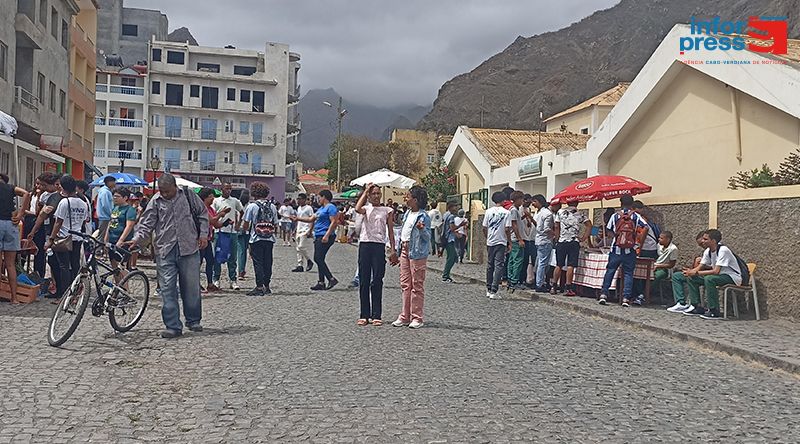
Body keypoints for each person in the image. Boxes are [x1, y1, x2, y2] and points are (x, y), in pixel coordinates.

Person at [129, 174, 208, 338]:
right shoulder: (156, 201)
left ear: (175, 187)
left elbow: (202, 213)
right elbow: (146, 224)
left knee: (191, 287)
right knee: (167, 288)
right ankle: (173, 326)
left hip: (189, 248)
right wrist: (136, 239)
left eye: (167, 191)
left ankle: (193, 320)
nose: (164, 194)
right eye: (161, 191)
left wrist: (203, 235)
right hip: (165, 250)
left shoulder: (187, 195)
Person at [670, 229, 741, 319]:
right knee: (692, 278)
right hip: (718, 277)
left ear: (713, 241)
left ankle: (714, 310)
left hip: (732, 277)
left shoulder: (723, 250)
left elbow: (716, 271)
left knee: (710, 279)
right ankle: (696, 306)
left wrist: (696, 272)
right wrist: (690, 272)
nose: (703, 241)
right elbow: (699, 267)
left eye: (705, 239)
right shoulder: (707, 251)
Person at [353, 184, 397, 326]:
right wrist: (365, 192)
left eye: (378, 193)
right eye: (374, 194)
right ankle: (364, 314)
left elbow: (390, 230)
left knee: (377, 279)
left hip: (379, 246)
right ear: (369, 196)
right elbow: (357, 208)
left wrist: (393, 249)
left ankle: (376, 314)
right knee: (364, 280)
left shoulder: (387, 210)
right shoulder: (366, 209)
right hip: (365, 244)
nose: (376, 196)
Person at [598, 195, 648, 306]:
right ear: (632, 204)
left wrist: (616, 236)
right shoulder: (635, 216)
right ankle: (626, 298)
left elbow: (609, 229)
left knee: (610, 270)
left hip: (616, 249)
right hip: (630, 250)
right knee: (628, 273)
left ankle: (604, 294)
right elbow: (646, 226)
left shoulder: (615, 216)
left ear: (620, 203)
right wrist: (638, 243)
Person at [392, 186, 430, 329]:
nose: (405, 198)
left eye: (408, 196)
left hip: (417, 252)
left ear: (415, 200)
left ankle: (417, 317)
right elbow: (403, 233)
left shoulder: (424, 216)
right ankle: (405, 315)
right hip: (404, 250)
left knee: (417, 285)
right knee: (405, 284)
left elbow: (427, 237)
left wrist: (421, 229)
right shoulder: (407, 213)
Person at [46, 175, 90, 300]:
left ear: (63, 188)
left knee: (64, 267)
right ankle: (75, 293)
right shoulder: (83, 203)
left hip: (64, 238)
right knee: (75, 266)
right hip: (77, 238)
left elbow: (58, 222)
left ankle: (64, 295)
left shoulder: (64, 202)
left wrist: (51, 239)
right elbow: (84, 221)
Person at [292, 190, 339, 291]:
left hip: (325, 236)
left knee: (318, 258)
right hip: (318, 236)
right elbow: (311, 219)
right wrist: (298, 219)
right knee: (320, 258)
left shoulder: (330, 207)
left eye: (319, 197)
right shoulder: (321, 209)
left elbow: (334, 222)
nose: (318, 199)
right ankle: (321, 282)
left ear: (324, 197)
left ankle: (331, 278)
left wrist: (327, 235)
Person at [27, 172, 61, 297]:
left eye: (43, 185)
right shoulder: (44, 195)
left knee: (56, 260)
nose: (40, 187)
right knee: (46, 257)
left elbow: (43, 214)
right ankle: (48, 282)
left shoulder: (58, 196)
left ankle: (60, 288)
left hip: (56, 231)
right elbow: (40, 214)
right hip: (45, 229)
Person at [241, 182, 279, 296]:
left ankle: (259, 286)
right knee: (268, 262)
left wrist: (244, 230)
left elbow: (246, 224)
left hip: (256, 238)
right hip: (269, 238)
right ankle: (267, 286)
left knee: (258, 262)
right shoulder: (272, 206)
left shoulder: (252, 206)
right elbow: (275, 223)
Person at [0, 173, 32, 304]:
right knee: (10, 264)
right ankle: (14, 298)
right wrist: (20, 213)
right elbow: (27, 194)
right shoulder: (11, 188)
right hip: (11, 225)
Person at [553, 200, 592, 296]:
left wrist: (557, 238)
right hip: (574, 241)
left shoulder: (560, 212)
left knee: (559, 264)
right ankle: (568, 287)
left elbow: (556, 226)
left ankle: (553, 286)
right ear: (577, 204)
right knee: (571, 265)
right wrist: (583, 237)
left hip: (562, 241)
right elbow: (589, 225)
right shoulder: (580, 214)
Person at [212, 183, 244, 290]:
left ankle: (233, 279)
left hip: (232, 232)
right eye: (226, 189)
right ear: (221, 189)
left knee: (232, 257)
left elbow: (241, 211)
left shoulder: (234, 201)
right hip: (219, 231)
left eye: (230, 189)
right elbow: (213, 215)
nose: (228, 191)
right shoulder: (216, 201)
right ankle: (216, 278)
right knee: (217, 256)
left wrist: (238, 223)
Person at [200, 188, 229, 293]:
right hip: (199, 239)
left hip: (207, 239)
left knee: (210, 261)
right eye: (211, 196)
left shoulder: (211, 209)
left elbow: (215, 224)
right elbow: (210, 220)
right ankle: (196, 284)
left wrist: (225, 222)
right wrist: (220, 215)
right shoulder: (202, 208)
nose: (213, 198)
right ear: (206, 197)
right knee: (198, 263)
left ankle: (210, 283)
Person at [105, 187, 138, 282]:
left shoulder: (130, 209)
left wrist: (121, 240)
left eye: (117, 196)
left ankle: (125, 290)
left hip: (123, 242)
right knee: (114, 267)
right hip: (112, 240)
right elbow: (110, 223)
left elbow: (129, 225)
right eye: (114, 196)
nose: (114, 198)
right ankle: (117, 288)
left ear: (125, 197)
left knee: (122, 267)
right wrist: (106, 239)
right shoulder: (115, 208)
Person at [631, 200, 660, 304]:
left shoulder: (639, 219)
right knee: (641, 273)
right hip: (649, 248)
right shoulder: (644, 218)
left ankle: (640, 295)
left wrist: (639, 247)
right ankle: (639, 294)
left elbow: (643, 231)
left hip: (646, 249)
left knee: (640, 273)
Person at [483, 191, 511, 299]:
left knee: (490, 265)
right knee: (499, 265)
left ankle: (489, 288)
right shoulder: (506, 213)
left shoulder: (488, 212)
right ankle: (494, 289)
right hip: (501, 241)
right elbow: (507, 228)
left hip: (490, 241)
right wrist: (509, 241)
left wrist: (487, 237)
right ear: (503, 200)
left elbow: (484, 227)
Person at [22, 178, 45, 279]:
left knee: (39, 252)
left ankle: (38, 274)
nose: (37, 186)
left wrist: (39, 197)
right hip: (28, 220)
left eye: (40, 184)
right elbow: (25, 209)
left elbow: (37, 212)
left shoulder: (43, 197)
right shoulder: (31, 195)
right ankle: (21, 271)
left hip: (38, 222)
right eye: (36, 184)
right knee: (24, 248)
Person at [531, 194, 554, 292]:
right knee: (543, 263)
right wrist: (555, 235)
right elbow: (547, 229)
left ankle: (538, 281)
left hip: (539, 239)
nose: (533, 204)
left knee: (540, 262)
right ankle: (539, 284)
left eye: (535, 201)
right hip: (545, 240)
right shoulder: (547, 214)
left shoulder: (541, 213)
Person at [291, 193, 315, 273]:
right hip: (299, 229)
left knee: (301, 246)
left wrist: (310, 230)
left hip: (305, 229)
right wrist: (294, 229)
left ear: (305, 199)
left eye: (300, 199)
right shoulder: (298, 208)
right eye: (298, 199)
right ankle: (299, 264)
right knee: (298, 248)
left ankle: (309, 260)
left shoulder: (309, 208)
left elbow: (312, 219)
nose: (299, 200)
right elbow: (298, 220)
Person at [440, 202, 459, 282]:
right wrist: (460, 225)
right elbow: (452, 228)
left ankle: (446, 274)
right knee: (452, 257)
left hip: (445, 237)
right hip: (449, 239)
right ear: (450, 207)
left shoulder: (445, 214)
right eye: (455, 206)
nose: (456, 208)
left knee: (451, 256)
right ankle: (445, 275)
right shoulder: (451, 216)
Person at [236, 189, 251, 279]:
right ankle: (241, 270)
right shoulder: (250, 206)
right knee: (243, 252)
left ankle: (241, 270)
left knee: (240, 251)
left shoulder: (237, 203)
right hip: (247, 230)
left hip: (238, 229)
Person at [96, 175, 116, 241]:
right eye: (113, 182)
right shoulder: (105, 192)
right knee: (102, 236)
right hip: (105, 217)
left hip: (105, 216)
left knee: (104, 235)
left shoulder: (105, 191)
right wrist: (111, 214)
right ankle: (98, 251)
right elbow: (105, 205)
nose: (114, 184)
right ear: (109, 182)